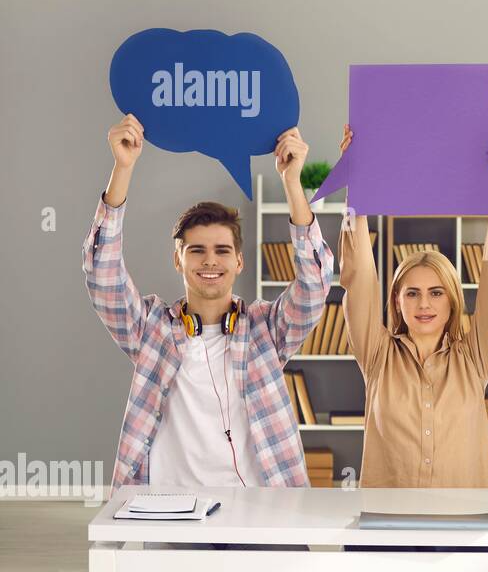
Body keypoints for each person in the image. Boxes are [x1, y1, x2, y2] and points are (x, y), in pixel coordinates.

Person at [84, 115, 332, 491]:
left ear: (239, 261)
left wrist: (292, 183)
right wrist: (122, 168)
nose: (210, 261)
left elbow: (315, 283)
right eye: (196, 250)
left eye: (221, 250)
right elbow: (102, 272)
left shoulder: (267, 330)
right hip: (171, 513)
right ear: (178, 259)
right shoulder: (151, 330)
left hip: (261, 512)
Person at [337, 124, 488, 488]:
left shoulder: (474, 357)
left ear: (452, 300)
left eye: (436, 292)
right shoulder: (377, 355)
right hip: (390, 527)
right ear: (396, 301)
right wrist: (356, 187)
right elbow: (358, 275)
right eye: (412, 293)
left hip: (467, 527)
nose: (424, 303)